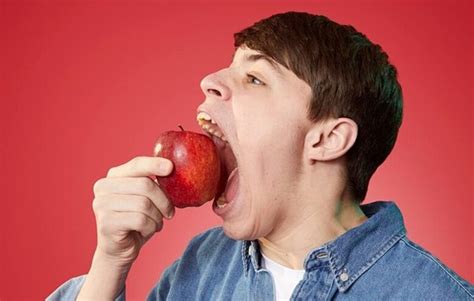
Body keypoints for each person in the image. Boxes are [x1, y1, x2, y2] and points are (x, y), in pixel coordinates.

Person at [48, 11, 473, 300]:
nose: (208, 81)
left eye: (254, 77)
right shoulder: (203, 265)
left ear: (326, 140)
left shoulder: (433, 293)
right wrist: (109, 265)